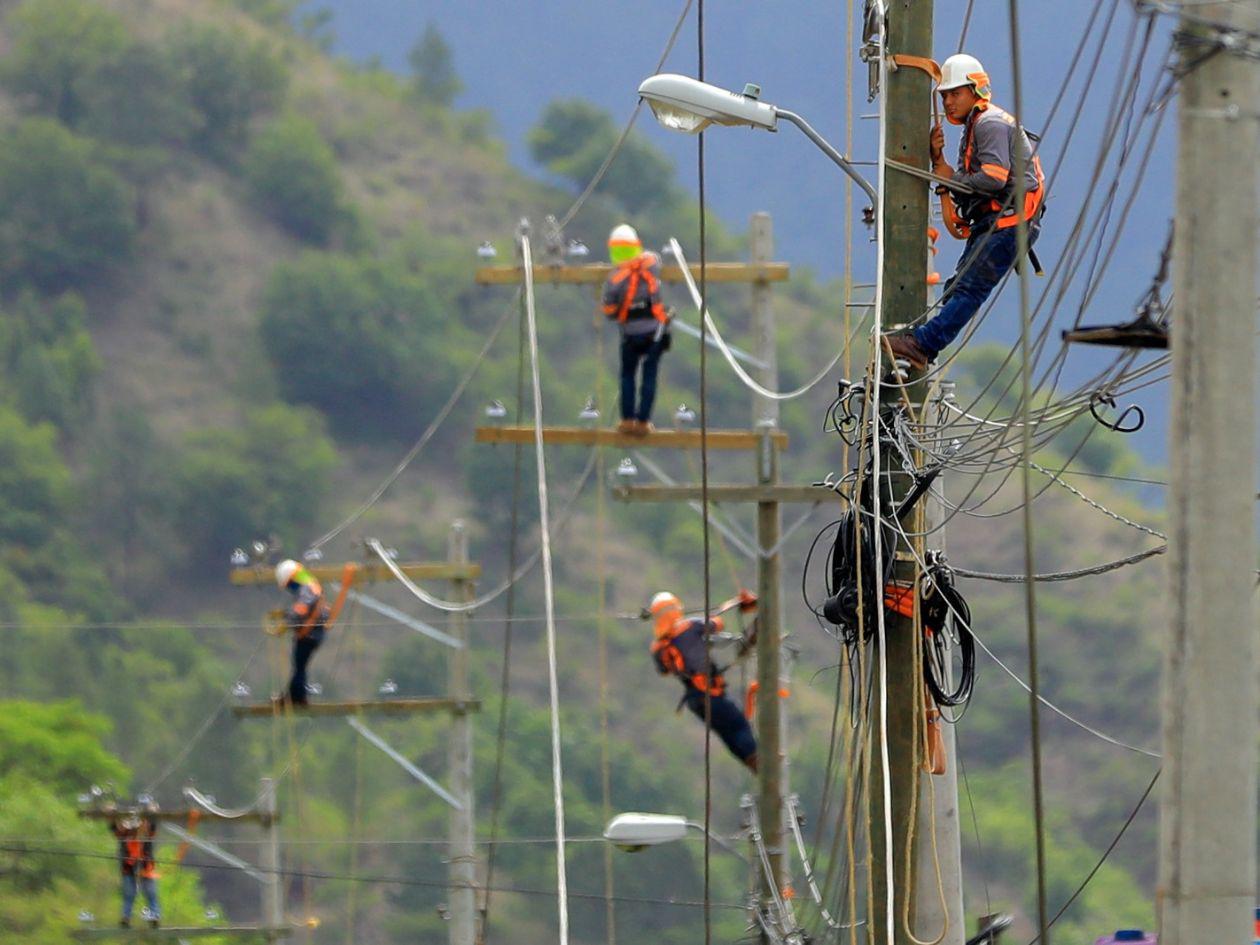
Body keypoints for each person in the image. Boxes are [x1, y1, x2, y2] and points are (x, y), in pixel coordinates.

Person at [884, 53, 1046, 370]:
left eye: (955, 93)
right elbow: (966, 181)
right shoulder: (976, 127)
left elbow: (993, 178)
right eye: (944, 95)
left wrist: (951, 179)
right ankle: (921, 344)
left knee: (970, 289)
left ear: (976, 90)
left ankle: (921, 345)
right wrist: (938, 160)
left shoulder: (990, 124)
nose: (948, 102)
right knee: (959, 288)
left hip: (1009, 221)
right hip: (998, 221)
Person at [649, 589, 759, 772]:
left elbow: (664, 671)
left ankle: (753, 763)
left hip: (695, 701)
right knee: (739, 725)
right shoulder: (690, 627)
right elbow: (717, 623)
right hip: (711, 694)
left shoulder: (657, 648)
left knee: (727, 734)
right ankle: (760, 761)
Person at [602, 224, 671, 436]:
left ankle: (627, 419)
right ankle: (643, 421)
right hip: (654, 333)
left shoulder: (615, 280)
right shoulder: (651, 266)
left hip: (630, 336)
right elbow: (654, 257)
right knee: (649, 377)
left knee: (627, 377)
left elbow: (609, 310)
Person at [275, 558, 330, 706]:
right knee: (299, 665)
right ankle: (293, 695)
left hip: (309, 633)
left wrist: (287, 620)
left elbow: (302, 608)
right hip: (314, 632)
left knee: (299, 666)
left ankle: (297, 697)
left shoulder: (306, 587)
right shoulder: (312, 585)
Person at [109, 804, 160, 929]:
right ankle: (126, 918)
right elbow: (114, 827)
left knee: (150, 893)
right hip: (128, 869)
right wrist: (111, 812)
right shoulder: (124, 834)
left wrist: (151, 810)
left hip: (145, 867)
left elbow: (153, 821)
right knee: (129, 895)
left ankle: (154, 916)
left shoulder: (147, 831)